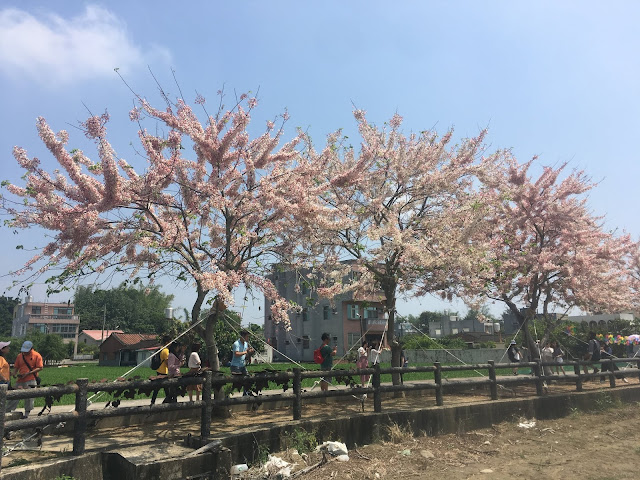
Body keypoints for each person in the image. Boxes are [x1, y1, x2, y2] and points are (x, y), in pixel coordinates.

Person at [7, 340, 43, 419]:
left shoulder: (37, 355)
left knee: (29, 397)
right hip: (20, 379)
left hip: (31, 379)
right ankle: (8, 411)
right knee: (14, 395)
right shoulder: (20, 356)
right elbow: (16, 366)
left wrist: (29, 373)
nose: (25, 353)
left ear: (31, 349)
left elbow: (40, 367)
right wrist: (14, 373)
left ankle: (26, 414)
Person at [231, 330, 255, 395]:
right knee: (236, 382)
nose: (248, 338)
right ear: (242, 336)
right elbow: (236, 354)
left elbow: (246, 353)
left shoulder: (246, 344)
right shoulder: (236, 344)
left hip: (242, 365)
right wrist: (245, 352)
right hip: (236, 365)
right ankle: (228, 393)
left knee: (247, 378)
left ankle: (246, 393)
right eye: (247, 337)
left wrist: (250, 352)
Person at [150, 336, 171, 405]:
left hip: (159, 370)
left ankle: (153, 401)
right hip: (163, 371)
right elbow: (167, 362)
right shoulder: (165, 350)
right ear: (167, 342)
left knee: (159, 387)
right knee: (165, 387)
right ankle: (167, 402)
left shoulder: (161, 349)